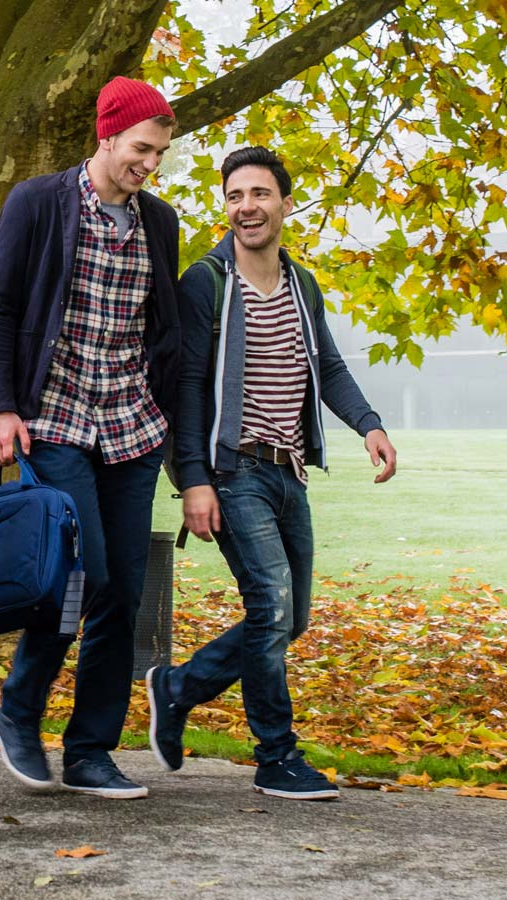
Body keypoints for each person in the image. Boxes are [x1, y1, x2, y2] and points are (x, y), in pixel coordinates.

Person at [147, 146, 397, 800]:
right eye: (235, 195)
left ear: (285, 203)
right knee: (273, 605)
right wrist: (193, 479)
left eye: (259, 193)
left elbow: (330, 370)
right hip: (235, 472)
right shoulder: (207, 283)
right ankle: (276, 755)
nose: (246, 206)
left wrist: (369, 424)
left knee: (292, 617)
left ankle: (176, 688)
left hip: (289, 473)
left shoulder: (300, 284)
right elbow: (189, 387)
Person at [0, 77, 180, 800]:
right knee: (79, 573)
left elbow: (166, 333)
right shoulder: (39, 203)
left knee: (123, 591)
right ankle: (19, 709)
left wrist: (174, 433)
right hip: (54, 417)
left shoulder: (159, 221)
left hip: (130, 426)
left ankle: (91, 750)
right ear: (106, 136)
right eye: (140, 149)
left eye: (159, 153)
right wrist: (0, 407)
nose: (149, 164)